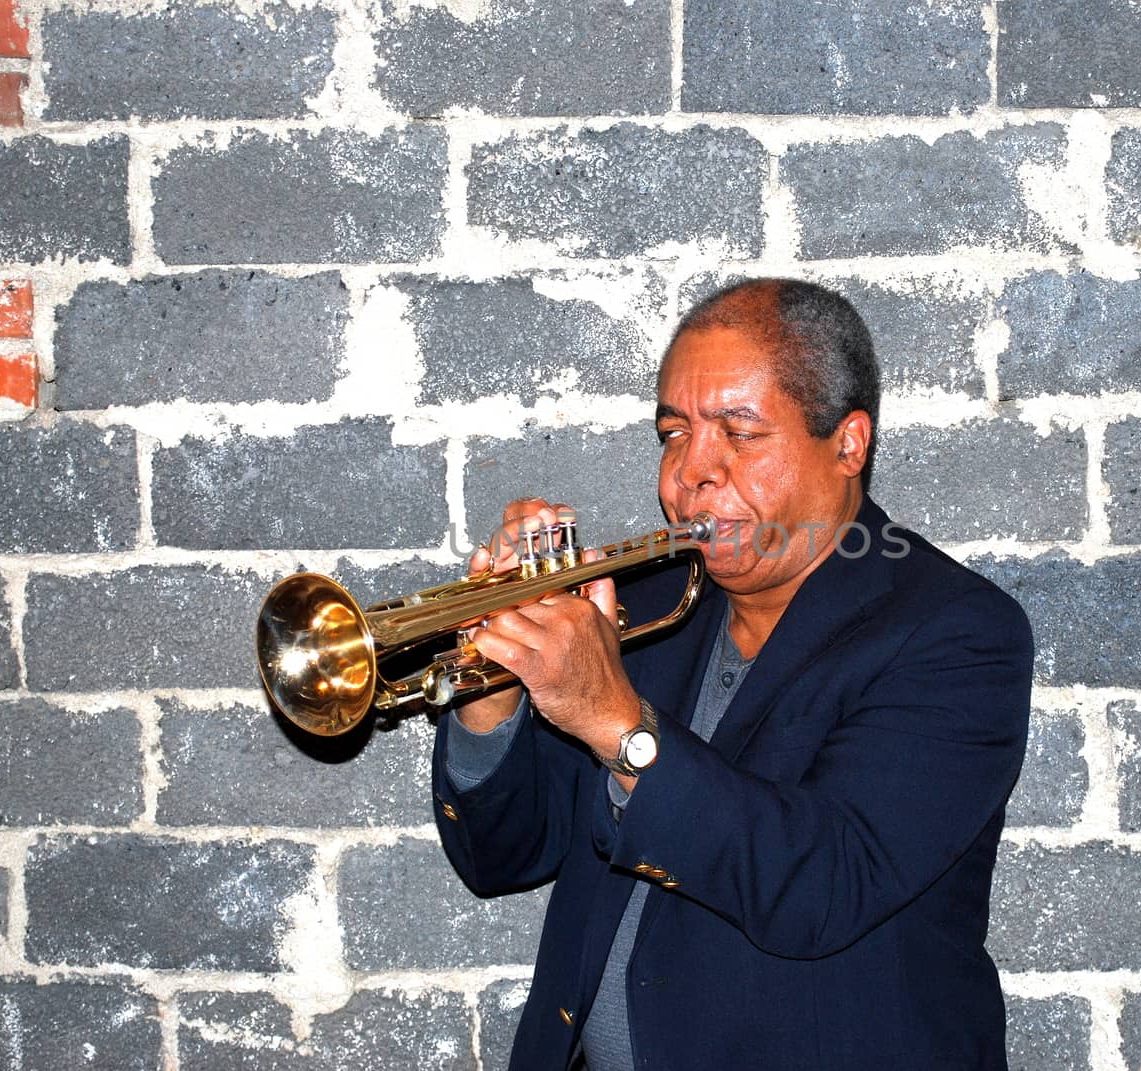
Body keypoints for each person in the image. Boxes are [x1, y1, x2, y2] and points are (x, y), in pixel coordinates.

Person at [432, 278, 1033, 1069]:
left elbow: (821, 885)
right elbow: (503, 857)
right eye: (673, 432)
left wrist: (614, 720)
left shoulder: (954, 631)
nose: (690, 473)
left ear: (848, 444)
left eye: (739, 433)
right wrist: (494, 688)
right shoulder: (645, 607)